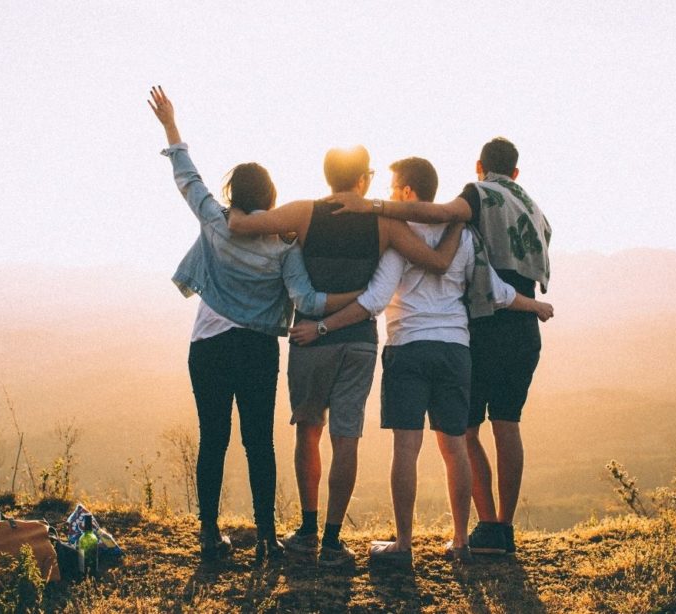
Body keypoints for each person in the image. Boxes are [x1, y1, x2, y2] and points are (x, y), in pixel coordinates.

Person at [290, 158, 552, 566]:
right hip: (456, 350)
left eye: (395, 188)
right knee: (455, 448)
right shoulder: (463, 236)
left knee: (406, 449)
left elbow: (374, 301)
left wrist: (322, 327)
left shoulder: (399, 237)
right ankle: (461, 542)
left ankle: (404, 545)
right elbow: (495, 290)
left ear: (409, 193)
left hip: (409, 347)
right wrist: (533, 305)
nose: (391, 195)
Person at [148, 86, 360, 562]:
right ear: (271, 197)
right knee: (258, 442)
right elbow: (305, 298)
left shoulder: (216, 221)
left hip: (208, 345)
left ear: (233, 194)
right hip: (258, 349)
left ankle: (209, 536)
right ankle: (266, 538)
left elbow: (188, 178)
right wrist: (360, 297)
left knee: (213, 439)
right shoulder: (283, 244)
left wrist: (171, 125)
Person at [227, 147, 463, 566]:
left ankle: (307, 531)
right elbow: (435, 262)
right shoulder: (384, 223)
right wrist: (460, 220)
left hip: (309, 340)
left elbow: (245, 225)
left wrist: (232, 211)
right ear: (363, 181)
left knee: (308, 431)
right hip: (359, 342)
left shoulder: (303, 213)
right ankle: (334, 541)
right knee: (346, 437)